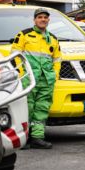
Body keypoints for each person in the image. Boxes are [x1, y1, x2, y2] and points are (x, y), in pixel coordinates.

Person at [12, 8, 61, 149]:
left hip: (46, 79)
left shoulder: (52, 39)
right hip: (29, 78)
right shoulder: (24, 35)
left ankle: (37, 137)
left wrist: (55, 75)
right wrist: (22, 74)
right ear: (35, 20)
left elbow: (57, 59)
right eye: (40, 17)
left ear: (48, 20)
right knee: (27, 107)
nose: (43, 19)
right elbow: (15, 55)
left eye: (45, 17)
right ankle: (24, 138)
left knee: (42, 108)